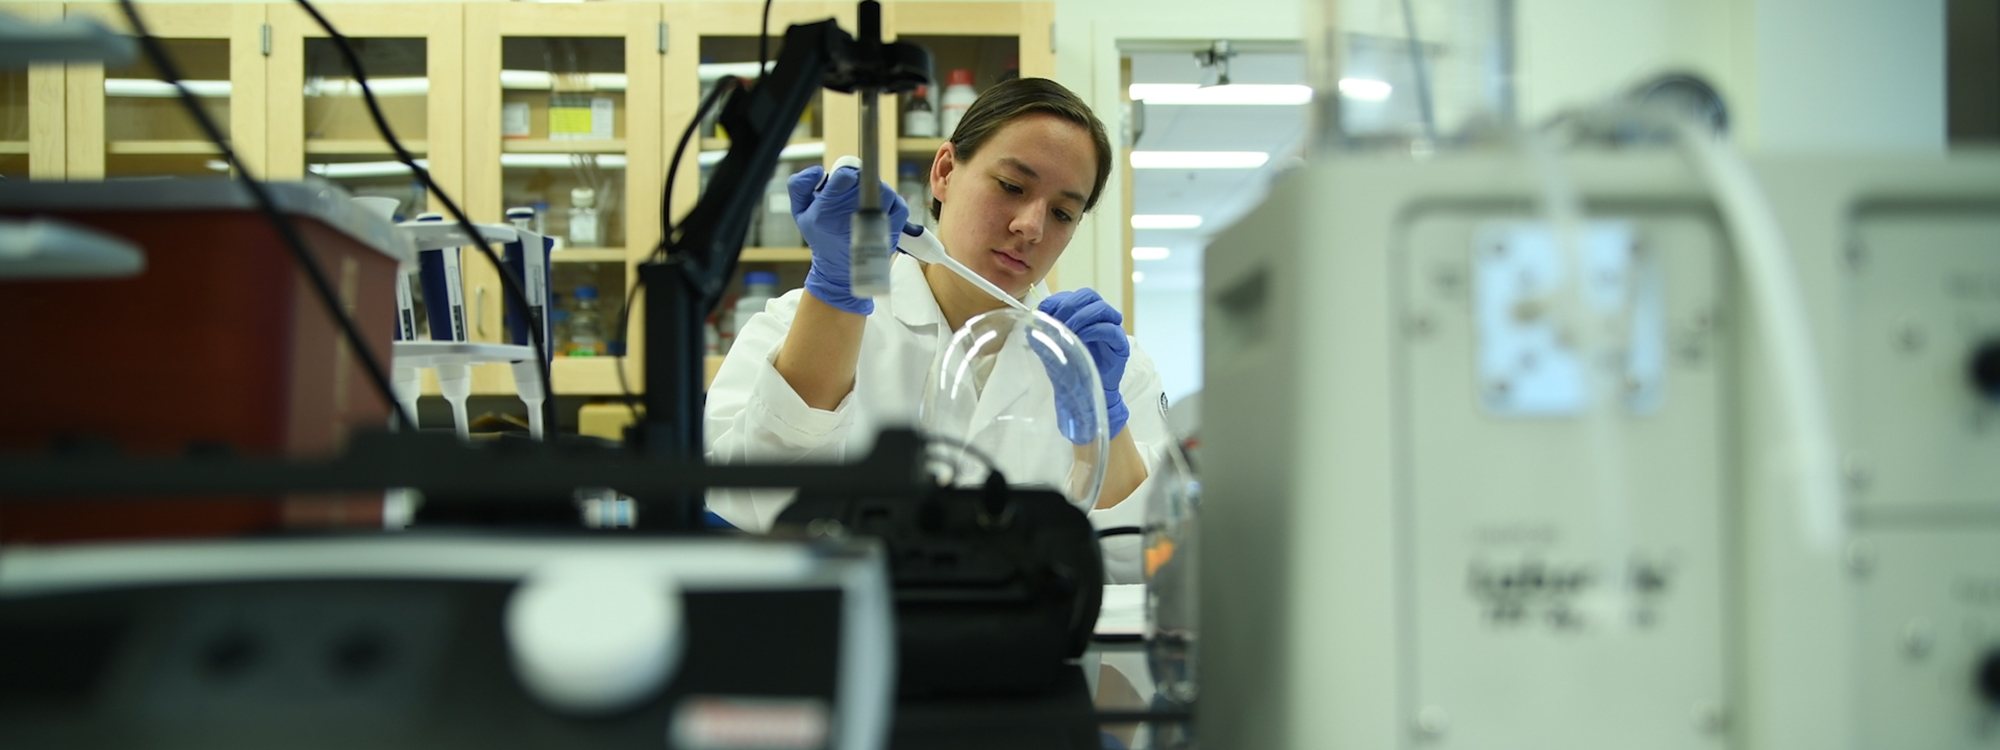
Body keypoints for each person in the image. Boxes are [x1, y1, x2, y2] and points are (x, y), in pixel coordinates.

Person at [704, 78, 1174, 582]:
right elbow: (751, 507)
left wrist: (1100, 421)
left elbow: (1147, 562)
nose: (1031, 226)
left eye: (1062, 212)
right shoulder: (792, 325)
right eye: (1012, 187)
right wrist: (835, 298)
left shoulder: (1105, 362)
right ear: (945, 172)